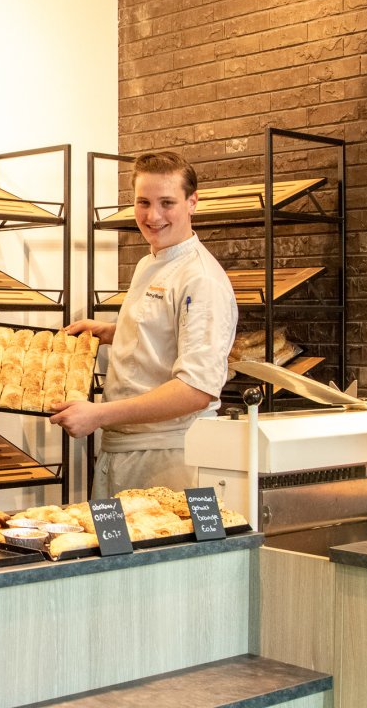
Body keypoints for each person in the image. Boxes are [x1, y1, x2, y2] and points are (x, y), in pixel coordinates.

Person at [49, 151, 238, 498]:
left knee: (160, 550)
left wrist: (100, 414)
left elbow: (196, 390)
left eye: (167, 202)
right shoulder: (148, 262)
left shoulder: (201, 279)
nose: (153, 216)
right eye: (143, 202)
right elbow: (160, 334)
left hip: (169, 457)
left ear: (192, 202)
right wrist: (110, 333)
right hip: (125, 448)